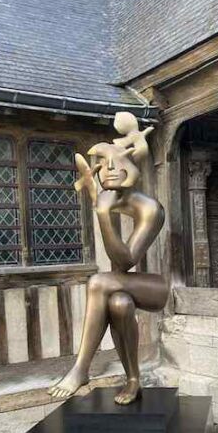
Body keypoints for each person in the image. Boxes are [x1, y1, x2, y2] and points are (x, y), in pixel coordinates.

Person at [48, 114, 168, 405]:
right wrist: (102, 207)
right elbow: (117, 266)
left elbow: (126, 262)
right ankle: (133, 380)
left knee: (99, 282)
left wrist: (103, 215)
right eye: (104, 164)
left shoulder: (149, 208)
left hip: (159, 288)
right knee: (119, 304)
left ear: (133, 166)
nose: (110, 169)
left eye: (118, 163)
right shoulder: (109, 198)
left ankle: (81, 369)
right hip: (124, 286)